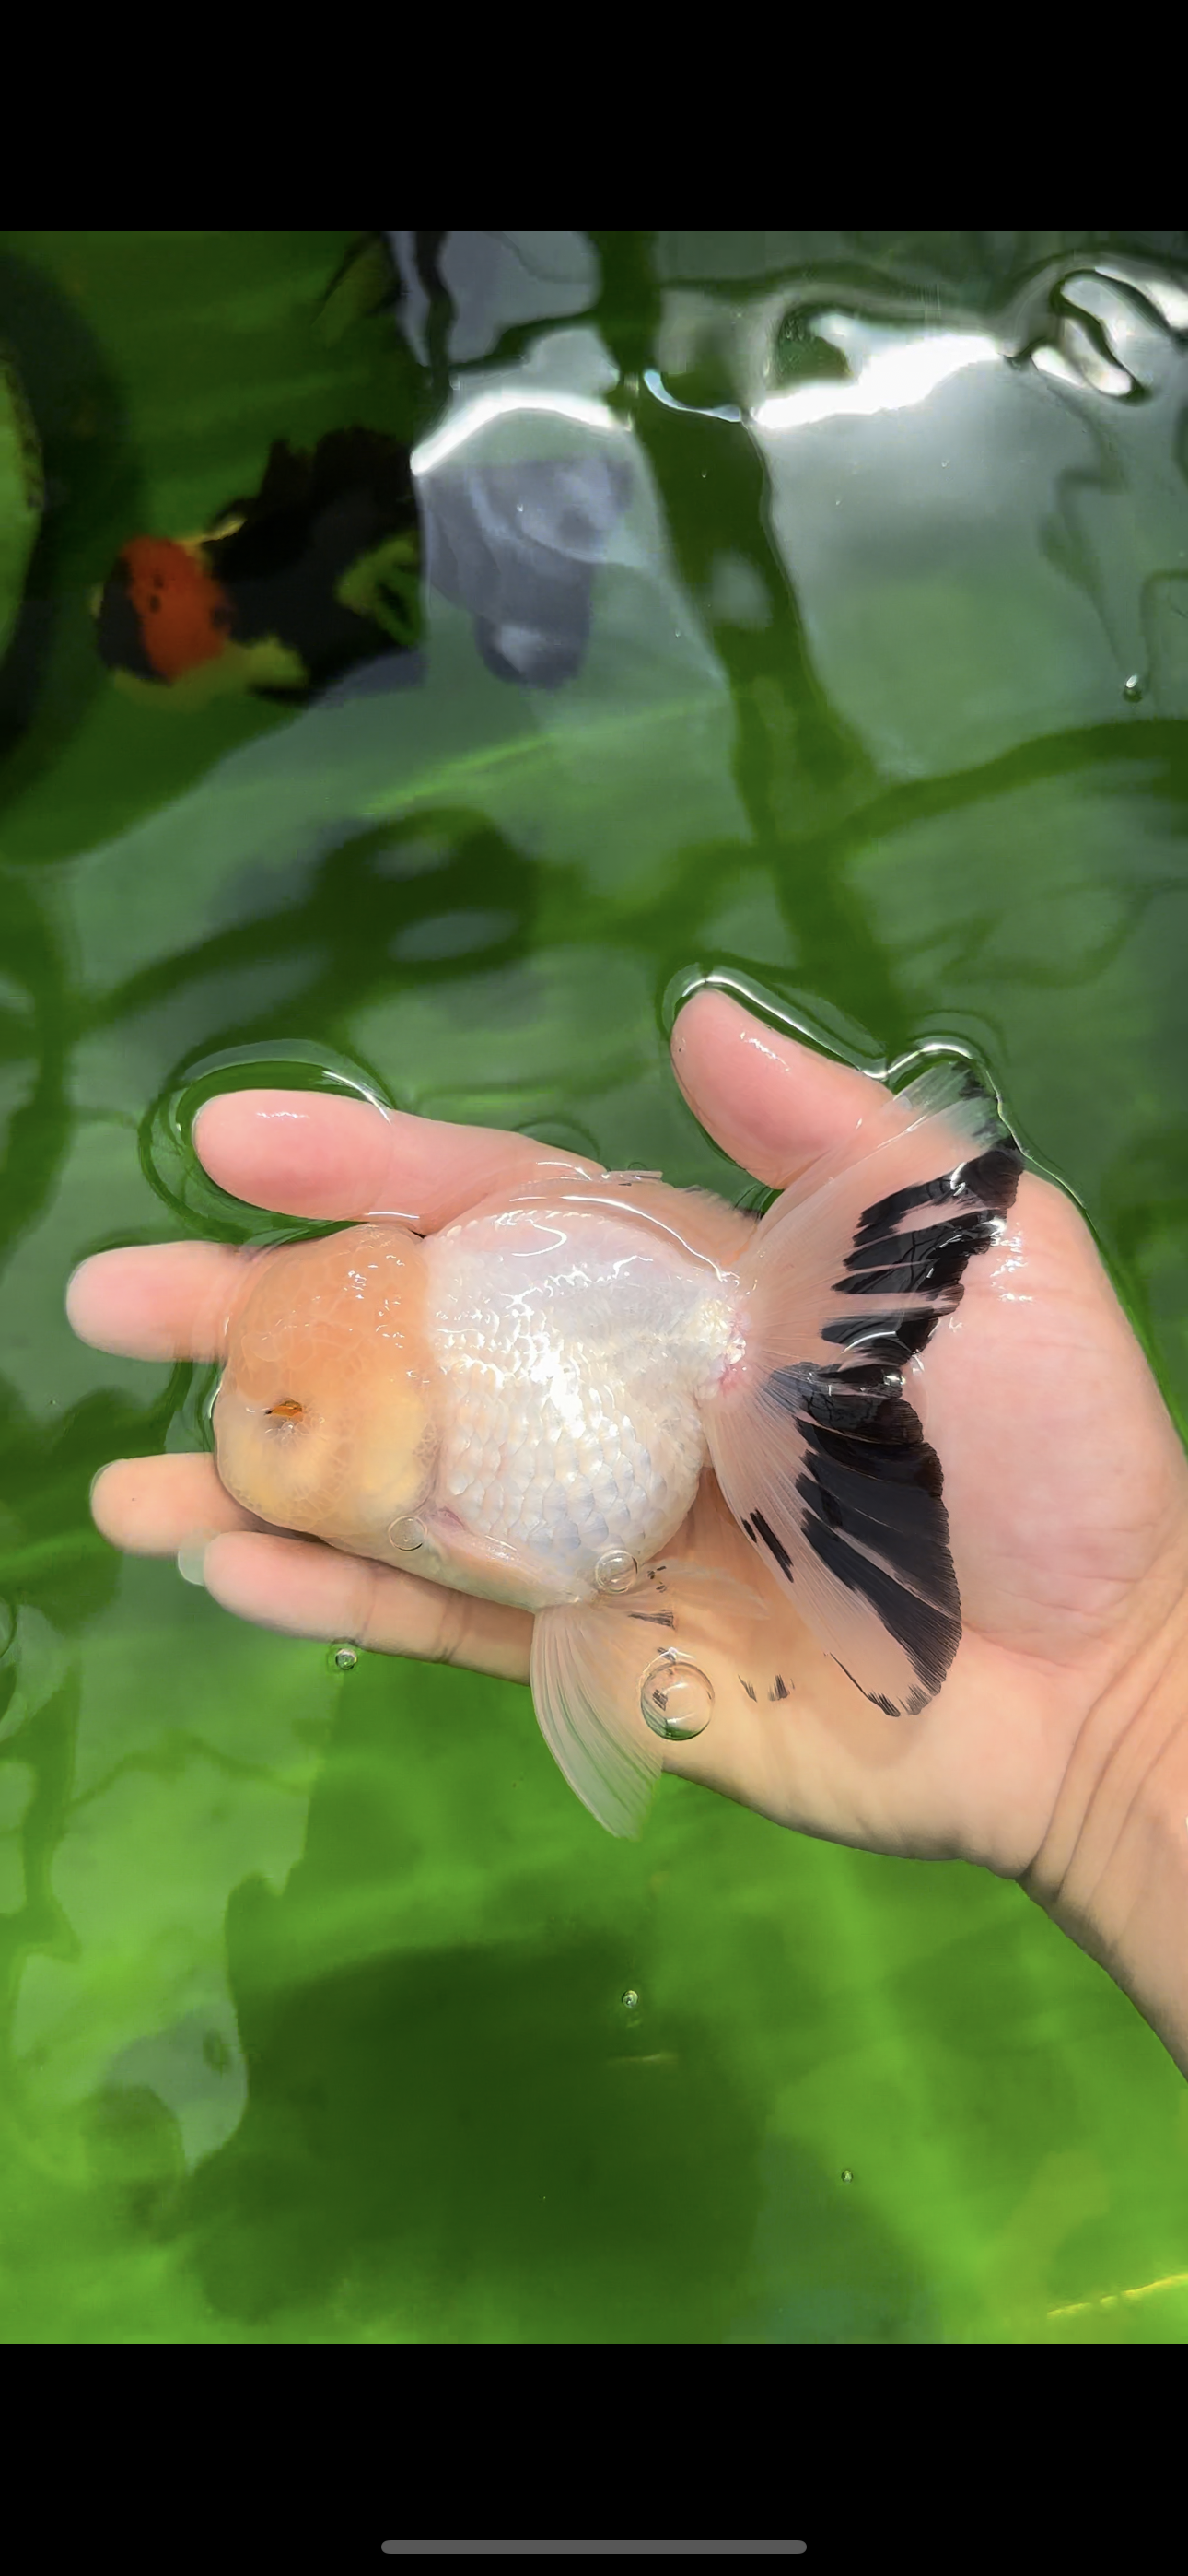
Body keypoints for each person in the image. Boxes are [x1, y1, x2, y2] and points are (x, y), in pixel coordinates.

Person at [66, 988, 1188, 2078]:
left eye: (290, 1420)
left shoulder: (476, 1455)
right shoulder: (439, 1372)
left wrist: (1131, 1698)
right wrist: (1124, 1715)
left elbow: (549, 1581)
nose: (261, 1435)